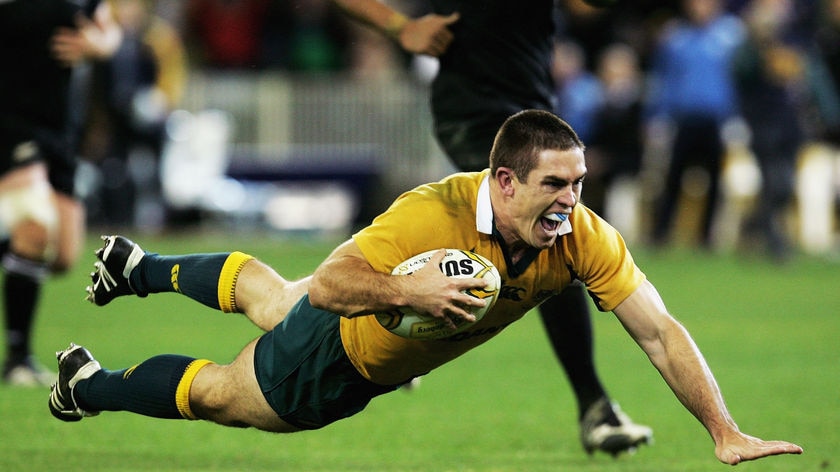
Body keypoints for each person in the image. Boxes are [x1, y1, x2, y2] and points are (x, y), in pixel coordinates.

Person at [51, 110, 803, 466]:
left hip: (375, 345)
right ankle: (89, 383)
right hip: (339, 353)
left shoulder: (582, 237)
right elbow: (340, 282)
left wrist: (723, 430)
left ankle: (136, 269)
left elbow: (660, 331)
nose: (572, 199)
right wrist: (408, 297)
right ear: (504, 182)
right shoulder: (430, 214)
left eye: (578, 183)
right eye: (554, 184)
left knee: (273, 296)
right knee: (225, 394)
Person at [329, 0, 652, 455]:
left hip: (534, 111)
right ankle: (594, 405)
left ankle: (407, 320)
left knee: (509, 233)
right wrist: (400, 27)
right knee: (550, 242)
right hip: (472, 110)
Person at [0, 0, 121, 386]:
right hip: (10, 120)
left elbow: (109, 27)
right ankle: (18, 360)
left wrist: (99, 46)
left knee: (63, 256)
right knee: (35, 225)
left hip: (58, 127)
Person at [645, 0, 746, 248]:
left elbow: (741, 81)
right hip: (684, 120)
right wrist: (657, 117)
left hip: (717, 121)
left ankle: (706, 236)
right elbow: (663, 80)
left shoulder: (733, 35)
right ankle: (661, 233)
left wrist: (737, 118)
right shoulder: (675, 37)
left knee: (715, 181)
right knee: (673, 178)